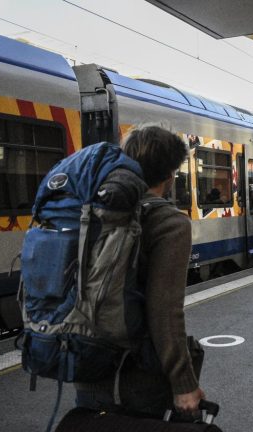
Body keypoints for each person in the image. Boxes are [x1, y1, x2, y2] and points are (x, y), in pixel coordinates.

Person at [75, 125, 205, 415]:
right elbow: (165, 310)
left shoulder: (94, 211)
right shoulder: (169, 222)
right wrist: (184, 383)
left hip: (86, 363)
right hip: (136, 376)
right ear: (171, 175)